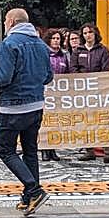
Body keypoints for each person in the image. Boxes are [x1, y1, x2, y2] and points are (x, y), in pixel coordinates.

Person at [0, 8, 54, 216]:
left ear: (12, 22)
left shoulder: (9, 44)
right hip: (36, 105)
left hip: (13, 106)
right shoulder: (41, 44)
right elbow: (48, 77)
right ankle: (28, 197)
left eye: (5, 20)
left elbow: (4, 77)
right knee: (30, 150)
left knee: (6, 151)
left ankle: (34, 190)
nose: (4, 24)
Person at [72, 23, 109, 164]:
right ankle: (89, 150)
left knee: (103, 119)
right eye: (85, 33)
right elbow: (74, 69)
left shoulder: (103, 50)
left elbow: (105, 69)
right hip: (83, 90)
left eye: (90, 32)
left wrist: (97, 83)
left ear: (95, 33)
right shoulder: (78, 51)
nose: (88, 35)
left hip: (100, 89)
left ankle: (108, 151)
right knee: (86, 120)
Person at [42, 30, 70, 161]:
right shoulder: (44, 54)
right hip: (45, 91)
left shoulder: (64, 55)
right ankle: (44, 149)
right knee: (45, 121)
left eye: (58, 38)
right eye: (53, 38)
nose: (56, 40)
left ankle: (53, 149)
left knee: (55, 121)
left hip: (59, 93)